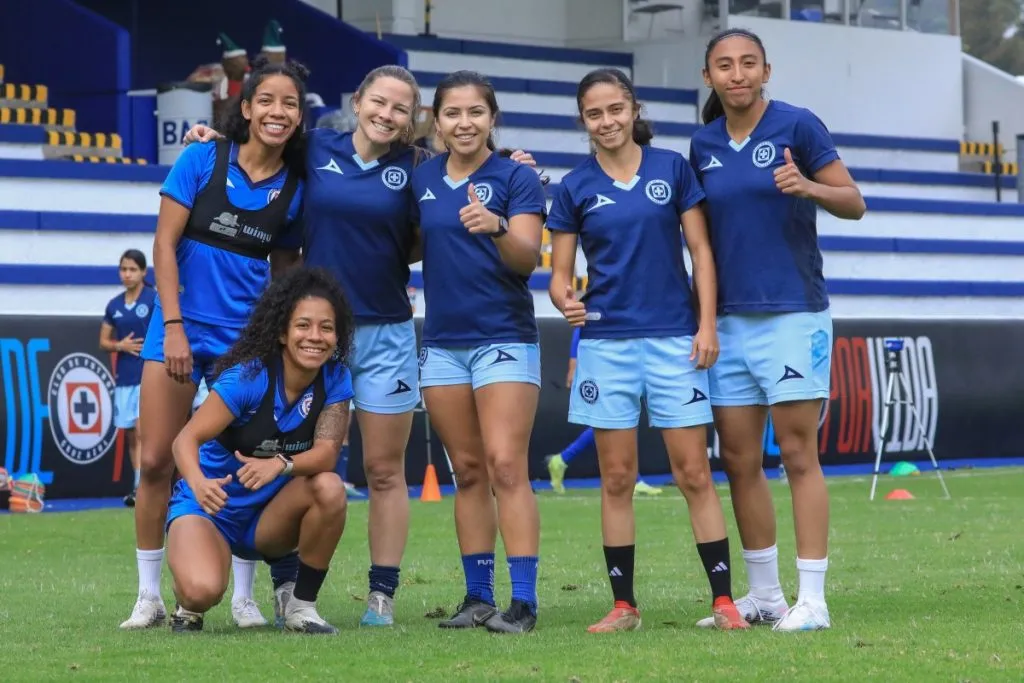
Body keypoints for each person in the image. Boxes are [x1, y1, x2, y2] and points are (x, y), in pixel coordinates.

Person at [182, 64, 538, 627]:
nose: (386, 115)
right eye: (378, 102)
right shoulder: (315, 145)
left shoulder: (419, 167)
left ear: (414, 118)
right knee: (292, 459)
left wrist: (514, 160)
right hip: (313, 337)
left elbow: (468, 177)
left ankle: (382, 597)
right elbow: (264, 144)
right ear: (358, 100)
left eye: (400, 108)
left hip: (387, 332)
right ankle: (288, 586)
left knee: (383, 469)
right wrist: (216, 140)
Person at [547, 68, 749, 633]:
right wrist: (564, 298)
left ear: (633, 109)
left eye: (616, 109)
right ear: (582, 120)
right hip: (606, 345)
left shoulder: (672, 170)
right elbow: (559, 278)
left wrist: (705, 325)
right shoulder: (573, 188)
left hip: (673, 342)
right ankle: (624, 606)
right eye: (594, 113)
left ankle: (724, 601)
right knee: (615, 478)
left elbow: (701, 253)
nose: (607, 121)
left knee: (693, 474)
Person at [121, 57, 308, 632]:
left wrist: (273, 349)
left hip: (245, 343)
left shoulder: (294, 190)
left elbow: (283, 278)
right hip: (179, 329)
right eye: (268, 101)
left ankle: (245, 598)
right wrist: (173, 325)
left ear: (299, 119)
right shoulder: (202, 157)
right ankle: (149, 595)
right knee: (154, 461)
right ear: (246, 108)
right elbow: (163, 244)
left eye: (291, 104)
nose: (279, 112)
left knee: (244, 461)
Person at [689, 29, 866, 632]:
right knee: (739, 461)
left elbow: (854, 201)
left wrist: (808, 186)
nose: (736, 74)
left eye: (747, 64)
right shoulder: (702, 143)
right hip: (727, 325)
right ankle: (764, 595)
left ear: (766, 70)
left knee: (797, 454)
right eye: (724, 66)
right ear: (708, 76)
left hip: (793, 315)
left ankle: (812, 600)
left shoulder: (798, 126)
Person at [411, 71, 546, 634]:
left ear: (493, 118)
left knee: (506, 465)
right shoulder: (420, 179)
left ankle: (524, 602)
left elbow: (526, 259)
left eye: (475, 113)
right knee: (467, 471)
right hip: (442, 342)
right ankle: (477, 597)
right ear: (436, 122)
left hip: (504, 336)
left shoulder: (518, 177)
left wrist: (495, 227)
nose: (463, 123)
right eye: (452, 114)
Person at [166, 267, 353, 634]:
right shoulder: (247, 377)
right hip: (212, 509)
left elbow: (327, 454)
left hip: (268, 518)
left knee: (329, 487)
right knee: (201, 591)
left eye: (326, 327)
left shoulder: (336, 377)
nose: (315, 337)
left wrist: (279, 465)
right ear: (282, 332)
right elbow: (183, 440)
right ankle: (186, 597)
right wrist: (199, 484)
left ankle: (301, 606)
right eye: (303, 326)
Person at [546, 326, 663, 497]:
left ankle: (562, 459)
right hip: (606, 356)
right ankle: (634, 480)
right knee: (616, 419)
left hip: (628, 353)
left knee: (617, 419)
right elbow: (583, 317)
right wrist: (574, 360)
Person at [99, 249, 157, 508]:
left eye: (133, 269)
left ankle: (147, 485)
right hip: (125, 377)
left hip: (148, 375)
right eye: (124, 269)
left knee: (145, 431)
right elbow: (103, 341)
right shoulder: (114, 305)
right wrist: (119, 346)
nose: (127, 274)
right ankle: (137, 484)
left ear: (144, 272)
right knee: (133, 435)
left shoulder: (154, 298)